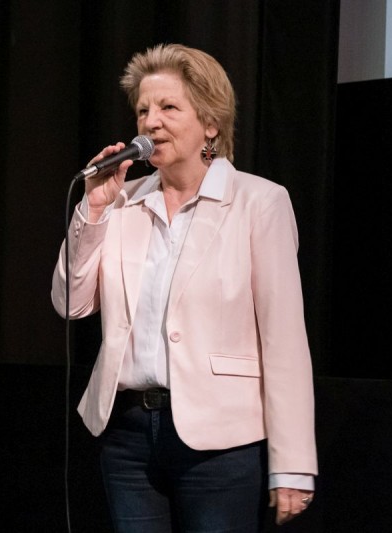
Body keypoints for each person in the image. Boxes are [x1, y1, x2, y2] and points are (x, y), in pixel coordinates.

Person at [51, 43, 317, 532]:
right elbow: (71, 303)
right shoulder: (122, 201)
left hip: (222, 439)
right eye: (143, 110)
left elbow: (284, 341)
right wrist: (92, 210)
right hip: (128, 434)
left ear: (211, 123)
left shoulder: (259, 202)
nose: (151, 122)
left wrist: (293, 462)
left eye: (169, 108)